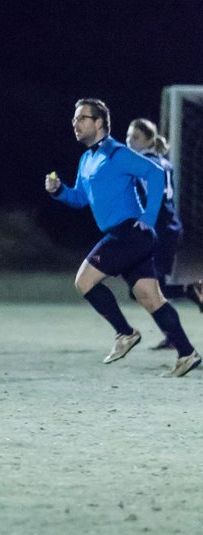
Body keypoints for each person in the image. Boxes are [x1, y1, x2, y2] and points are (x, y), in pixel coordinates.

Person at [45, 98, 201, 377]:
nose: (75, 123)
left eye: (82, 118)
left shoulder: (116, 152)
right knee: (150, 297)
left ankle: (125, 333)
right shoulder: (86, 159)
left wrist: (149, 218)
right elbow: (80, 198)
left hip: (130, 233)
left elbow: (154, 173)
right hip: (126, 235)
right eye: (74, 119)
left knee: (84, 281)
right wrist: (58, 191)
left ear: (99, 123)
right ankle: (187, 353)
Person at [124, 118, 203, 350]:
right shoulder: (161, 162)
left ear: (148, 140)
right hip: (165, 230)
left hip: (160, 232)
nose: (129, 141)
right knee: (144, 288)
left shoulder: (144, 166)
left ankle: (189, 292)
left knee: (142, 288)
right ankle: (176, 323)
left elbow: (149, 203)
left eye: (135, 137)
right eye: (129, 136)